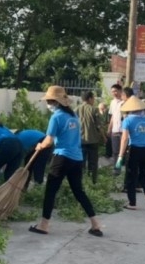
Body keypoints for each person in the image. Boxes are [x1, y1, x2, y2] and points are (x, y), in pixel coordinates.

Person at [29, 86, 102, 237]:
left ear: (55, 102)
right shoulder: (73, 116)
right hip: (77, 158)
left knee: (50, 191)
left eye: (49, 101)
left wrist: (39, 145)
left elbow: (48, 141)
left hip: (62, 157)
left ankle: (44, 225)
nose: (48, 104)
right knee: (78, 191)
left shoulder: (56, 117)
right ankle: (95, 224)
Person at [116, 97, 145, 210]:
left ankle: (132, 203)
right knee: (144, 176)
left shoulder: (128, 120)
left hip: (134, 150)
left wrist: (120, 156)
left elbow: (124, 139)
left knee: (131, 177)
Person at [77, 91, 105, 184]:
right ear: (89, 99)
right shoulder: (94, 110)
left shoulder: (76, 109)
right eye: (93, 98)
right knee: (93, 163)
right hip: (93, 141)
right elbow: (99, 126)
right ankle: (93, 182)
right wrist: (104, 137)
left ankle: (81, 181)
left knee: (81, 162)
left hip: (80, 140)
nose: (94, 101)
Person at [108, 84, 125, 174]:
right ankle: (116, 168)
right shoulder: (112, 102)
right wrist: (109, 128)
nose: (114, 93)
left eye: (115, 91)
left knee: (123, 152)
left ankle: (123, 167)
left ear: (120, 91)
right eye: (112, 92)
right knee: (115, 151)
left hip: (123, 131)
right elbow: (112, 117)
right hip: (115, 130)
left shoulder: (125, 102)